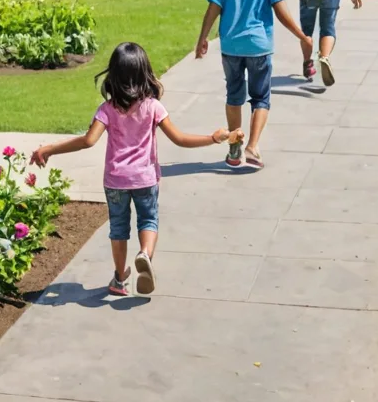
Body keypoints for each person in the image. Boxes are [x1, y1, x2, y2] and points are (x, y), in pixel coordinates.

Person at [30, 43, 242, 297]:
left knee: (118, 229)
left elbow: (88, 141)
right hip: (145, 178)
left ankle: (119, 279)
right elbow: (180, 139)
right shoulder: (153, 107)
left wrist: (50, 149)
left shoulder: (107, 110)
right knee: (149, 220)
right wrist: (213, 137)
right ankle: (145, 255)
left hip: (116, 181)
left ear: (114, 76)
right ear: (145, 74)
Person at [196, 0, 314, 171]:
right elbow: (281, 11)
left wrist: (203, 38)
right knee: (261, 98)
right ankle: (253, 146)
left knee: (234, 95)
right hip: (259, 46)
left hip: (231, 47)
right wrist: (302, 35)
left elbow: (212, 9)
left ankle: (235, 146)